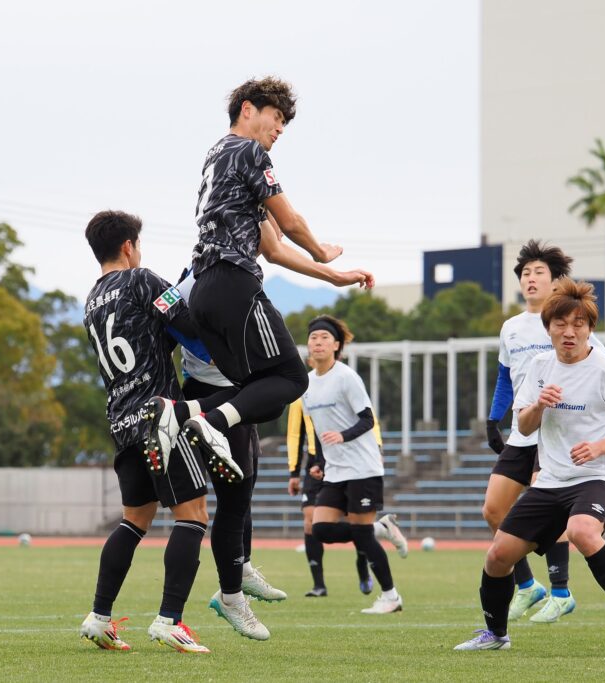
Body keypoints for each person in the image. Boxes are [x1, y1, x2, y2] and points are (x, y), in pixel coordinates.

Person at [151, 77, 373, 478]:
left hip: (205, 291)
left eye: (285, 122)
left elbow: (273, 249)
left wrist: (333, 276)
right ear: (248, 109)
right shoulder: (249, 151)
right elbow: (290, 223)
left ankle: (182, 414)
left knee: (261, 393)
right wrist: (321, 251)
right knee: (293, 378)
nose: (281, 128)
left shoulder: (217, 156)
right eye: (277, 116)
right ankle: (209, 424)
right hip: (233, 283)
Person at [455, 279, 605, 652]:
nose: (569, 332)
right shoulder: (540, 366)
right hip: (551, 480)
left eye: (578, 324)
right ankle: (496, 635)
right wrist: (539, 405)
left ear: (590, 328)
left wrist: (599, 447)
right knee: (498, 555)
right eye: (560, 324)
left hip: (599, 476)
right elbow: (524, 425)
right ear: (548, 328)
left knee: (581, 531)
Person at [77, 210, 219, 654]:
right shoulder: (142, 280)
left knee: (134, 521)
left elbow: (149, 341)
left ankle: (99, 617)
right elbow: (190, 330)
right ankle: (169, 620)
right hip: (160, 418)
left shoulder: (91, 301)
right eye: (138, 245)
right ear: (128, 246)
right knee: (193, 515)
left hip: (121, 422)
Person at [483, 239, 605, 623]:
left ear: (556, 281)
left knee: (549, 507)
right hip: (523, 430)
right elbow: (505, 378)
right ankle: (527, 586)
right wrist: (493, 418)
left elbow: (600, 369)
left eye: (539, 272)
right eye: (525, 273)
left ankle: (560, 592)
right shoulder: (511, 328)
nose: (531, 278)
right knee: (493, 510)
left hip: (556, 435)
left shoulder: (568, 322)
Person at [168, 289, 286, 643]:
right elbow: (170, 323)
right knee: (232, 501)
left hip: (240, 394)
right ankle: (231, 596)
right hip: (211, 394)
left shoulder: (234, 276)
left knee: (245, 491)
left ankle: (242, 566)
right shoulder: (191, 284)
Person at [302, 315, 405, 614]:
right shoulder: (306, 384)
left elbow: (368, 419)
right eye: (313, 337)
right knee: (320, 529)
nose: (318, 342)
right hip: (335, 470)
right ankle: (379, 528)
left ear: (336, 345)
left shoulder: (346, 377)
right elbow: (318, 428)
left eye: (324, 337)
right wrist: (319, 462)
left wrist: (343, 436)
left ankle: (391, 596)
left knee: (361, 535)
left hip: (363, 467)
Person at [288, 394, 406, 597]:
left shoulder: (345, 384)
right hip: (320, 460)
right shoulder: (301, 394)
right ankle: (319, 585)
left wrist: (377, 448)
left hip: (350, 459)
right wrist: (294, 471)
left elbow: (369, 419)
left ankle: (368, 571)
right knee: (314, 524)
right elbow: (295, 434)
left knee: (357, 522)